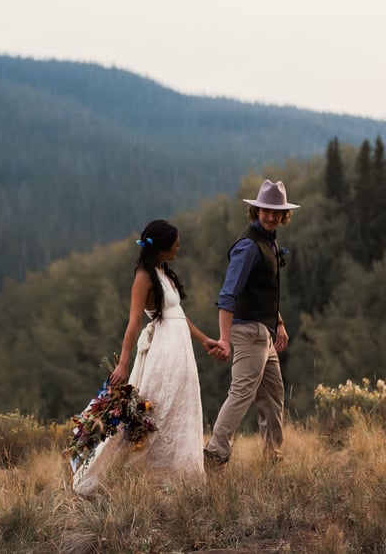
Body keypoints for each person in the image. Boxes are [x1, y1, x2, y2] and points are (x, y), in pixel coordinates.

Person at [72, 219, 220, 495]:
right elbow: (133, 322)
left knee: (182, 408)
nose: (179, 247)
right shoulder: (143, 278)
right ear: (162, 248)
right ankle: (150, 474)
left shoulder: (163, 271)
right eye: (175, 244)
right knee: (160, 406)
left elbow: (178, 315)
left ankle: (183, 475)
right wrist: (123, 363)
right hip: (164, 350)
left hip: (182, 349)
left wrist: (204, 340)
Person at [204, 179, 300, 466]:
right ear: (256, 211)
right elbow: (228, 294)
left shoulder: (269, 240)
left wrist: (278, 322)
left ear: (284, 215)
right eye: (265, 211)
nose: (270, 216)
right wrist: (224, 339)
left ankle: (273, 459)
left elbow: (265, 289)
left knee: (272, 397)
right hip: (248, 332)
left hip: (265, 332)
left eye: (276, 212)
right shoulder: (248, 246)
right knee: (242, 393)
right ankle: (215, 453)